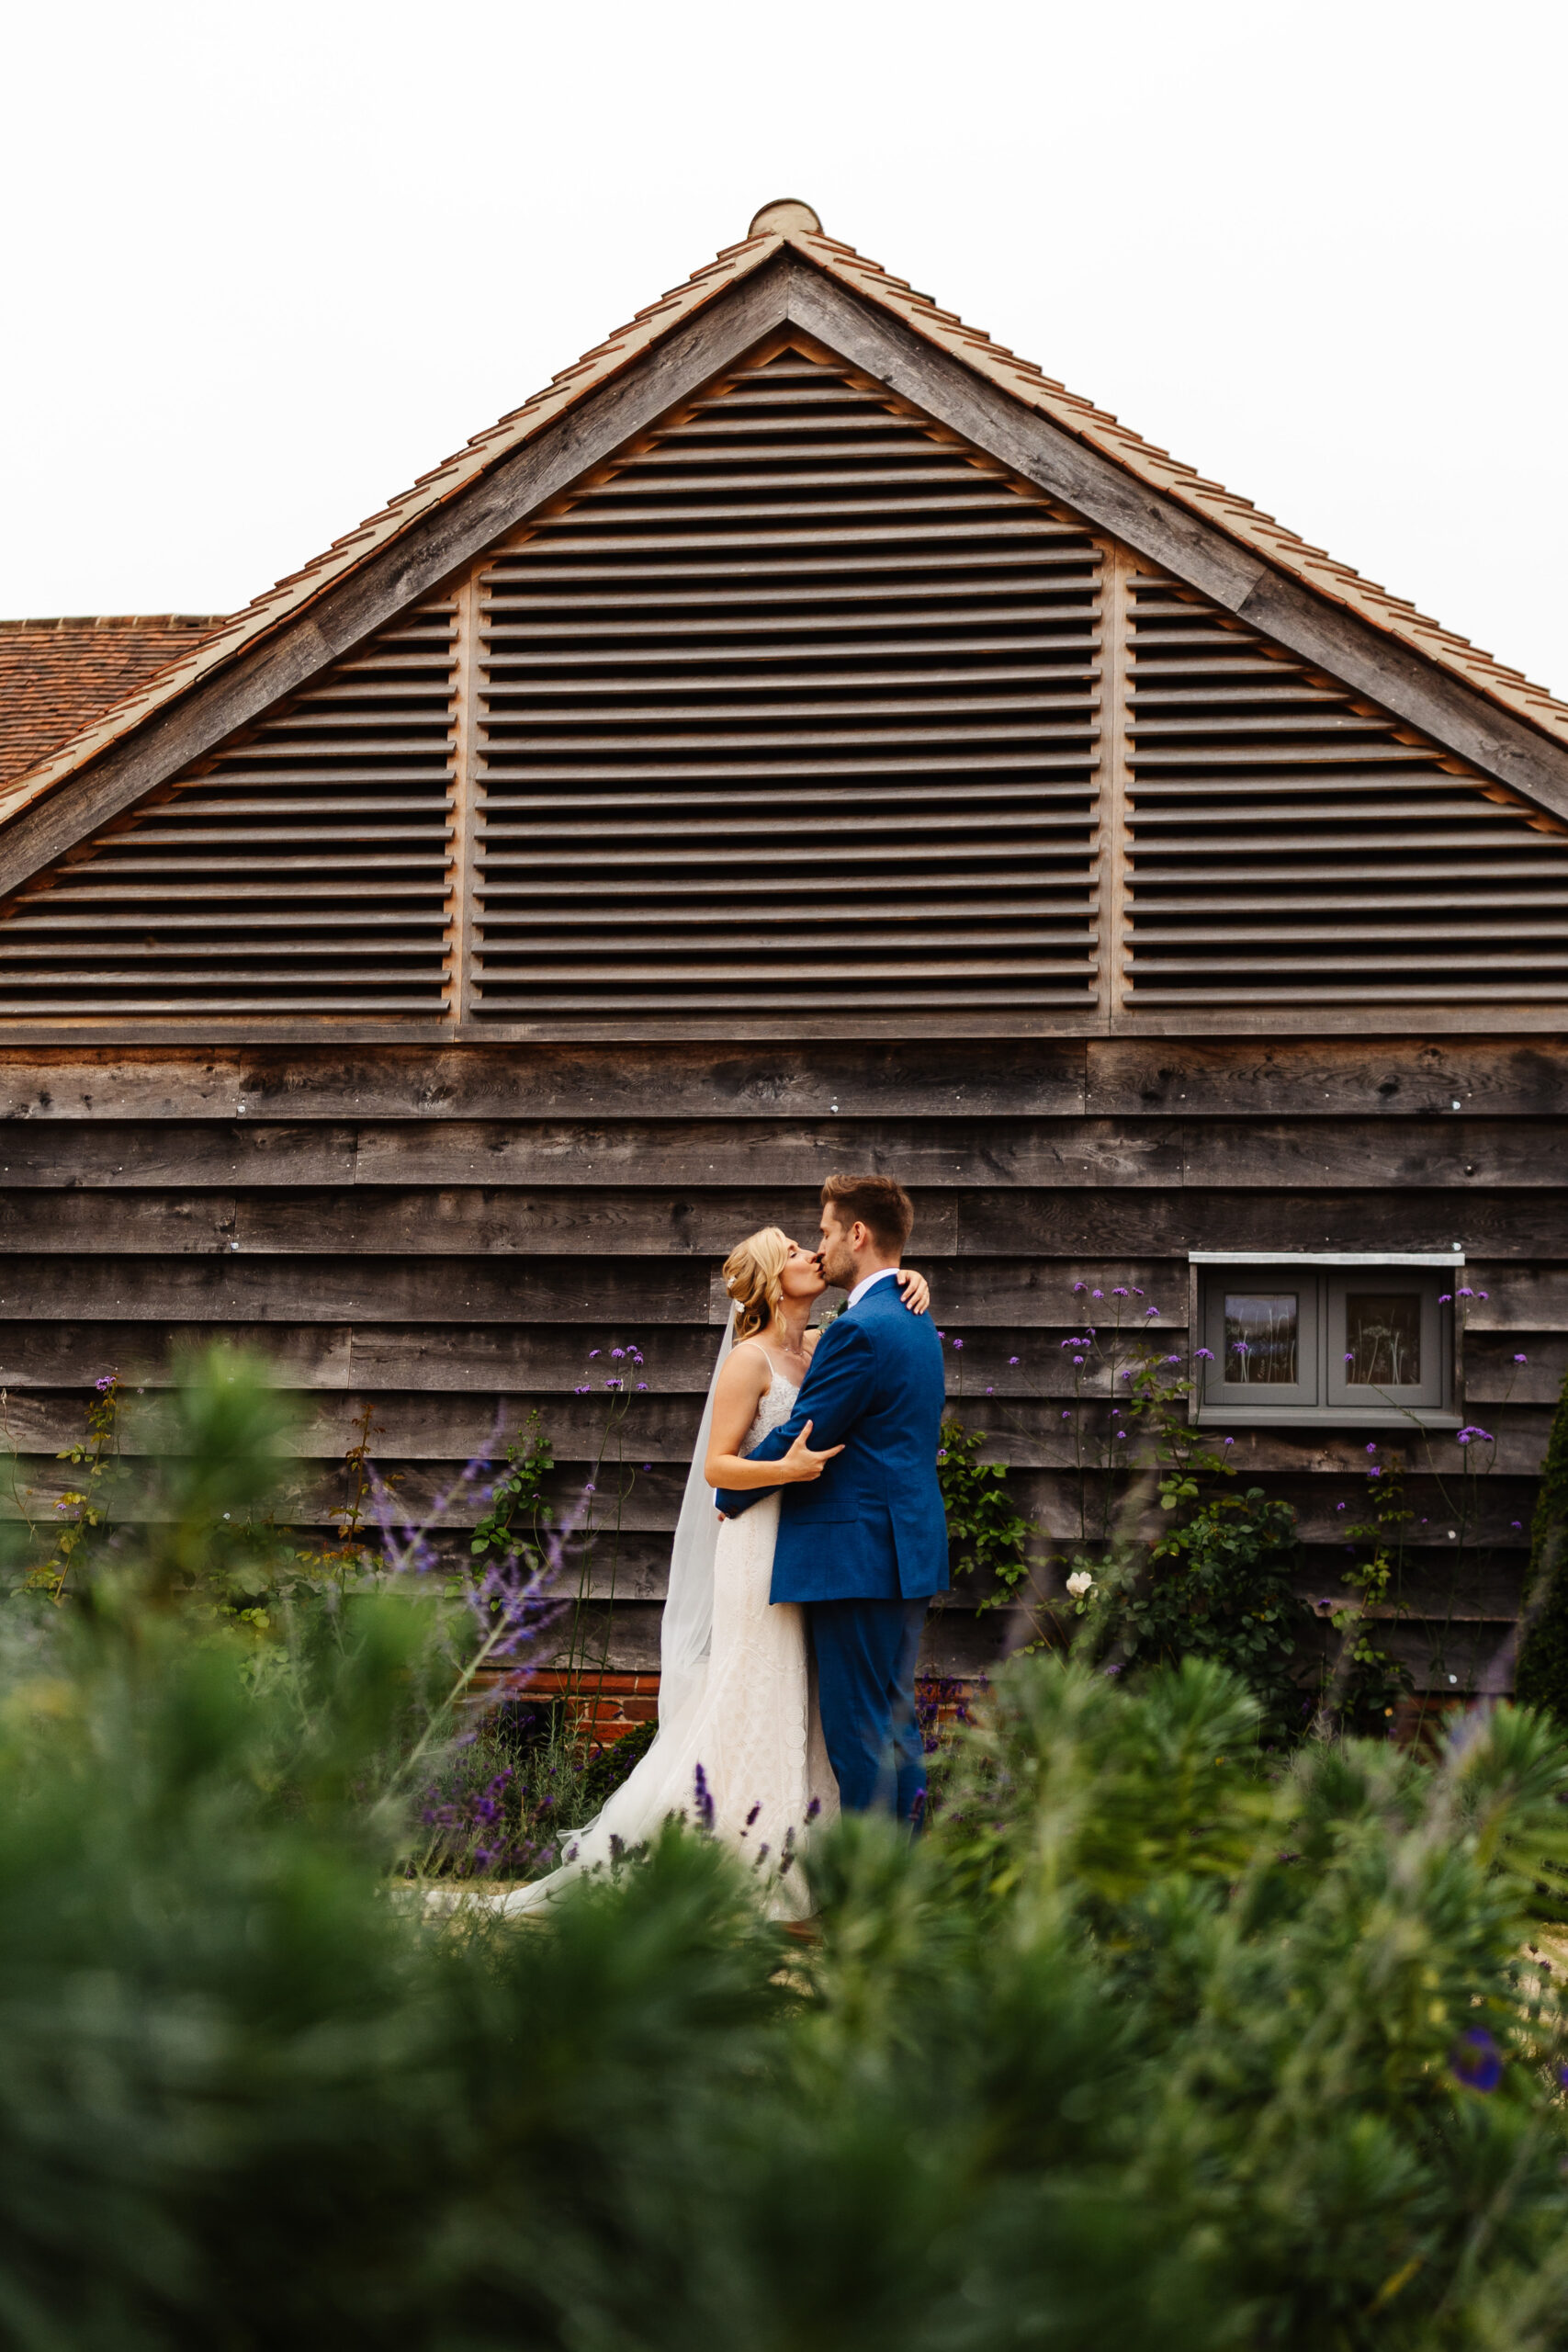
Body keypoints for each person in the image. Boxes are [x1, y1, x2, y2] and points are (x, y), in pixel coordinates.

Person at [502, 1225, 930, 1917]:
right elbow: (717, 1467)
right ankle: (728, 1865)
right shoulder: (748, 1360)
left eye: (807, 1243)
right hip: (755, 1540)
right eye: (792, 1251)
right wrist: (783, 1468)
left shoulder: (822, 1345)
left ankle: (800, 1858)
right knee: (754, 1687)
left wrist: (913, 1278)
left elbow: (874, 1327)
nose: (809, 1253)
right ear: (768, 1276)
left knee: (801, 1698)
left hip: (804, 1543)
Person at [716, 1174, 947, 1823]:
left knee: (858, 1732)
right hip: (903, 1547)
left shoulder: (854, 1331)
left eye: (821, 1232)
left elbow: (801, 1434)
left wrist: (729, 1492)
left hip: (855, 1555)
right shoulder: (912, 1316)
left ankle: (869, 1903)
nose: (818, 1248)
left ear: (857, 1233)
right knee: (891, 1720)